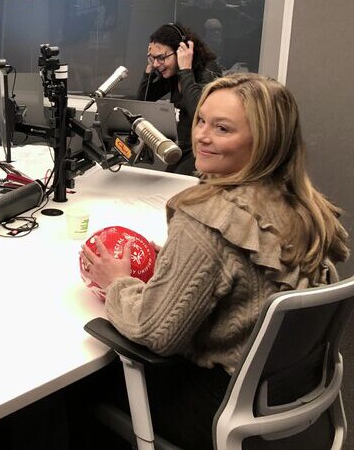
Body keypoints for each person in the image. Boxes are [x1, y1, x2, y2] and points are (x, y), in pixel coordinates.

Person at [78, 73, 349, 448]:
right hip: (277, 397)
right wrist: (175, 261)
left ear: (265, 142)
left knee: (77, 385)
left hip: (217, 406)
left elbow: (154, 334)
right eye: (201, 120)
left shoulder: (206, 219)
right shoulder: (305, 206)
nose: (202, 136)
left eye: (222, 128)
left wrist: (117, 282)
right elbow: (243, 275)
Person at [138, 22, 223, 175]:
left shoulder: (207, 70)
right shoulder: (172, 72)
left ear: (181, 52)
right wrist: (149, 69)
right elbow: (144, 99)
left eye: (161, 57)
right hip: (182, 146)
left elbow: (198, 110)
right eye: (152, 58)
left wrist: (185, 70)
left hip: (201, 149)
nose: (157, 63)